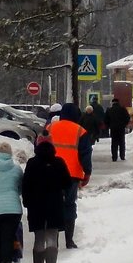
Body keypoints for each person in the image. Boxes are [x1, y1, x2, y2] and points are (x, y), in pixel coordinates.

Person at [22, 139, 71, 263]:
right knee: (52, 237)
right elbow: (67, 183)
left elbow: (26, 185)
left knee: (39, 238)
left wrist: (26, 202)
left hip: (36, 206)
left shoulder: (32, 163)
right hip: (55, 205)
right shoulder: (59, 162)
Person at [47, 102, 92, 248]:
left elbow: (39, 147)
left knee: (53, 204)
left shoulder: (50, 128)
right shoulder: (81, 131)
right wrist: (87, 173)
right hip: (72, 174)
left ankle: (53, 240)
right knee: (69, 205)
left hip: (51, 173)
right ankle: (69, 240)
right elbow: (85, 154)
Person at [105, 97, 131, 162]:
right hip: (121, 128)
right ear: (118, 102)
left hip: (113, 129)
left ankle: (114, 157)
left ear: (112, 103)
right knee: (122, 142)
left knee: (114, 143)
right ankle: (122, 156)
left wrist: (109, 126)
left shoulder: (109, 110)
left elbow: (106, 120)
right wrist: (124, 124)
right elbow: (127, 117)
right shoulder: (123, 109)